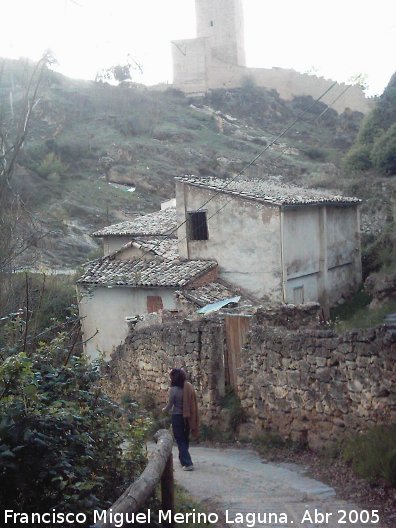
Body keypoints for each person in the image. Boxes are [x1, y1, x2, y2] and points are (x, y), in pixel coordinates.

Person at [162, 368, 199, 471]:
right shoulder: (188, 387)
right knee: (185, 438)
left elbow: (170, 405)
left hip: (177, 417)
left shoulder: (173, 390)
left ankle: (188, 463)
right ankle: (183, 459)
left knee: (180, 440)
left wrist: (164, 410)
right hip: (187, 417)